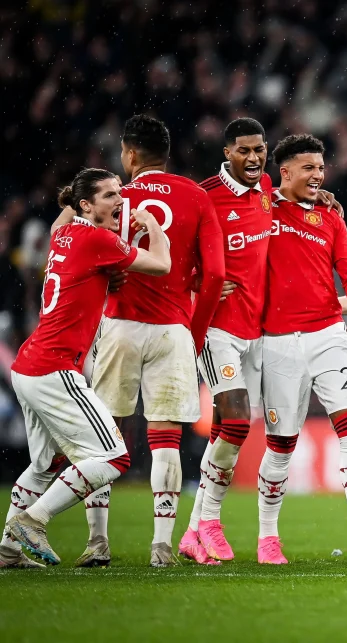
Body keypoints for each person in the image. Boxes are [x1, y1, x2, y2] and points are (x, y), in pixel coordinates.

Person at [73, 115, 225, 568]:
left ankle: (98, 542)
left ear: (130, 153)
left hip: (119, 325)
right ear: (167, 152)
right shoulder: (196, 195)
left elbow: (84, 257)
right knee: (165, 440)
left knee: (104, 438)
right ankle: (161, 544)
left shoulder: (114, 195)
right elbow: (216, 274)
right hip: (173, 328)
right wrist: (193, 335)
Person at [1, 168, 171, 567]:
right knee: (114, 457)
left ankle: (7, 551)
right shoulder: (97, 239)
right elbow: (161, 264)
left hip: (29, 365)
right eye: (110, 195)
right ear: (86, 205)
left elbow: (63, 218)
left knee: (45, 464)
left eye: (119, 193)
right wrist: (149, 223)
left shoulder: (64, 234)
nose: (120, 201)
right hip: (54, 367)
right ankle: (34, 520)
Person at [257, 134, 347, 563]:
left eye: (321, 168)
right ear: (284, 173)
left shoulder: (329, 216)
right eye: (308, 168)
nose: (318, 175)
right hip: (276, 339)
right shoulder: (261, 204)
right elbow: (247, 179)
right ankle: (267, 537)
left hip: (327, 334)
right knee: (281, 444)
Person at [179, 117, 274, 564]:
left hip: (257, 330)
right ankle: (211, 522)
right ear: (227, 154)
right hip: (217, 329)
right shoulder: (204, 197)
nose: (254, 158)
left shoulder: (267, 189)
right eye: (244, 150)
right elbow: (176, 258)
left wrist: (321, 198)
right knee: (236, 423)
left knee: (226, 427)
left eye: (259, 149)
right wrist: (200, 279)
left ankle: (192, 532)